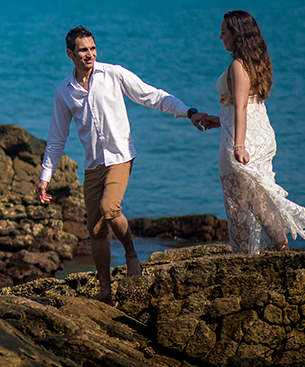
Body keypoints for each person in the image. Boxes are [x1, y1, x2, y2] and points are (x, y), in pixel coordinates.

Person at [37, 26, 218, 305]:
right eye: (83, 50)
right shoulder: (64, 91)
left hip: (120, 156)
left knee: (110, 208)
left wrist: (189, 112)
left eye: (93, 48)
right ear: (70, 53)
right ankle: (105, 291)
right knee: (95, 229)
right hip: (94, 162)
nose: (90, 54)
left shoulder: (113, 74)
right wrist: (45, 176)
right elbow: (57, 136)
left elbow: (152, 96)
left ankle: (132, 255)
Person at [217, 10, 305, 253]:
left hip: (244, 137)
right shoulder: (257, 62)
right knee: (255, 196)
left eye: (223, 32)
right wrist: (218, 119)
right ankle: (268, 251)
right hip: (258, 130)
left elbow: (241, 107)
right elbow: (246, 104)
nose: (220, 37)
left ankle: (264, 253)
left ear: (236, 34)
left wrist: (238, 146)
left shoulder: (238, 65)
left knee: (247, 200)